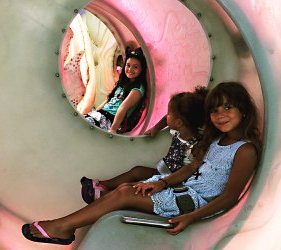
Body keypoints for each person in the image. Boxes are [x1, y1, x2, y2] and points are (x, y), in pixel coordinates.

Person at [22, 81, 261, 245]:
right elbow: (191, 168)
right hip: (183, 190)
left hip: (194, 204)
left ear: (243, 110)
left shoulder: (244, 150)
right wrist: (162, 183)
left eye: (228, 108)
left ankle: (62, 227)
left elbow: (230, 197)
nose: (220, 116)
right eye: (215, 110)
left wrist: (192, 217)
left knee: (126, 193)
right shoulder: (217, 139)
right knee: (127, 187)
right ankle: (64, 226)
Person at [80, 86, 208, 204]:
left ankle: (103, 196)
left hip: (174, 181)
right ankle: (103, 184)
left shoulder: (195, 146)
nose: (166, 116)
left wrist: (164, 182)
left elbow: (191, 169)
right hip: (163, 171)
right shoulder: (180, 128)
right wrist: (155, 129)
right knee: (137, 171)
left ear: (179, 122)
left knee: (135, 186)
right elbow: (166, 120)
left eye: (169, 113)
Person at [84, 47, 147, 134]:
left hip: (110, 120)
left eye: (135, 67)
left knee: (86, 126)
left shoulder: (138, 89)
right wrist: (95, 112)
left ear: (142, 69)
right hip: (101, 115)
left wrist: (113, 129)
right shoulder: (123, 83)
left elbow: (123, 107)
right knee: (82, 122)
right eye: (128, 65)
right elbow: (108, 100)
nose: (130, 70)